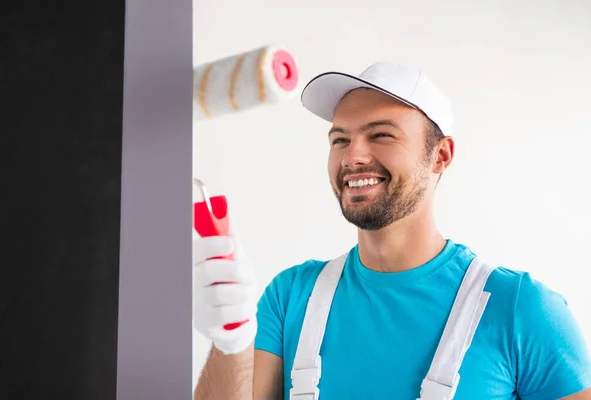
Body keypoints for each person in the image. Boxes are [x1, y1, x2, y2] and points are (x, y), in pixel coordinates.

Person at [192, 62, 591, 399]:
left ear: (440, 156)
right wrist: (231, 340)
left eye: (380, 134)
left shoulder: (523, 309)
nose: (353, 156)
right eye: (340, 139)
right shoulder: (290, 296)